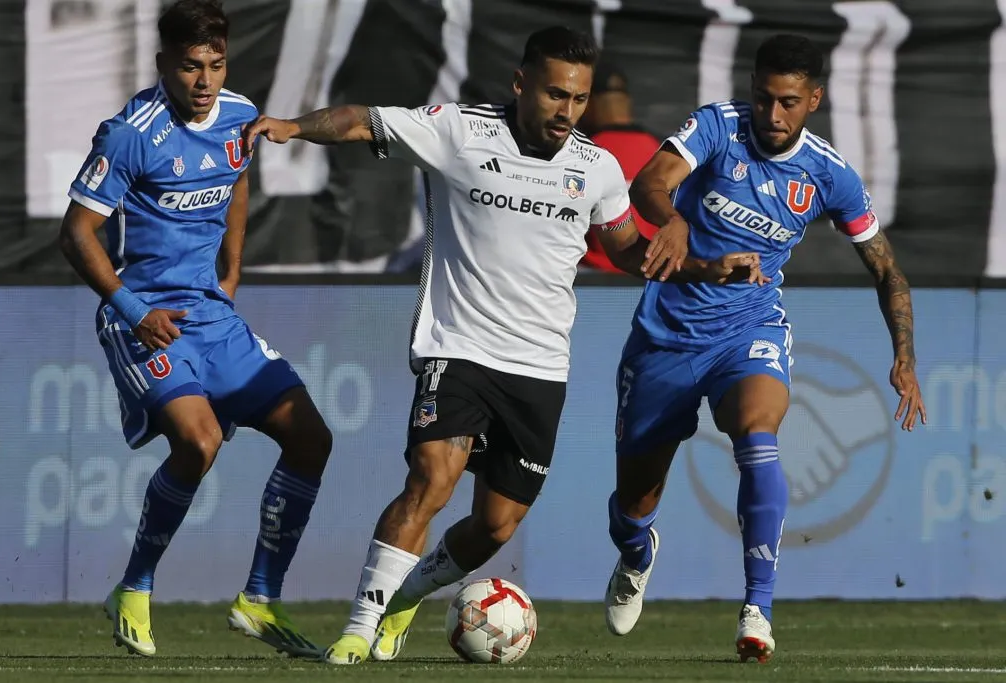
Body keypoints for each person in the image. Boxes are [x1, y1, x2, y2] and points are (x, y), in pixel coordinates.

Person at [243, 25, 766, 666]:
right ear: (521, 83)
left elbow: (628, 246)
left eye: (577, 98)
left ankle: (406, 596)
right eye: (553, 94)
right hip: (458, 345)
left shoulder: (596, 166)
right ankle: (358, 627)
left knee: (496, 525)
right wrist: (295, 127)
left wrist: (704, 268)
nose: (566, 110)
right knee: (432, 479)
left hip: (540, 366)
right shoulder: (458, 131)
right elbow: (362, 120)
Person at [604, 34, 927, 663]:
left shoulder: (831, 175)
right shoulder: (717, 128)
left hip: (749, 329)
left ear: (813, 100)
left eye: (787, 103)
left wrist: (905, 358)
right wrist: (671, 217)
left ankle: (758, 609)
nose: (772, 117)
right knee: (635, 500)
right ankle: (636, 551)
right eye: (762, 99)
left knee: (758, 434)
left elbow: (886, 269)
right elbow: (651, 182)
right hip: (666, 335)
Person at [58, 0, 330, 659]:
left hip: (212, 314)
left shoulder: (240, 116)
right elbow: (75, 232)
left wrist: (233, 269)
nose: (204, 80)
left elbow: (235, 183)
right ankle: (135, 586)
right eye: (189, 67)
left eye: (215, 64)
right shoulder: (131, 131)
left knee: (311, 437)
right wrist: (132, 310)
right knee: (200, 440)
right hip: (145, 317)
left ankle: (258, 600)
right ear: (163, 65)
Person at [578, 63, 660, 273]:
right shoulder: (661, 152)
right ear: (626, 102)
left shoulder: (582, 151)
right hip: (650, 278)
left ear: (588, 103)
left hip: (594, 280)